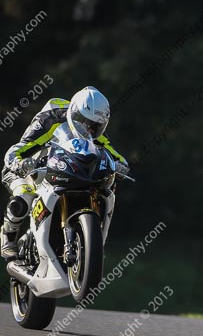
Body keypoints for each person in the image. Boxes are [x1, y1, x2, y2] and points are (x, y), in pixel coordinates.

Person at [1, 86, 128, 259]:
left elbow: (114, 154)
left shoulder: (95, 134)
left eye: (95, 126)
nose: (88, 129)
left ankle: (93, 242)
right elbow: (18, 149)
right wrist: (19, 163)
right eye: (83, 122)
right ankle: (9, 237)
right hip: (30, 167)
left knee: (104, 187)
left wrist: (121, 165)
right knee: (25, 196)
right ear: (73, 113)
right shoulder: (50, 120)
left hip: (65, 171)